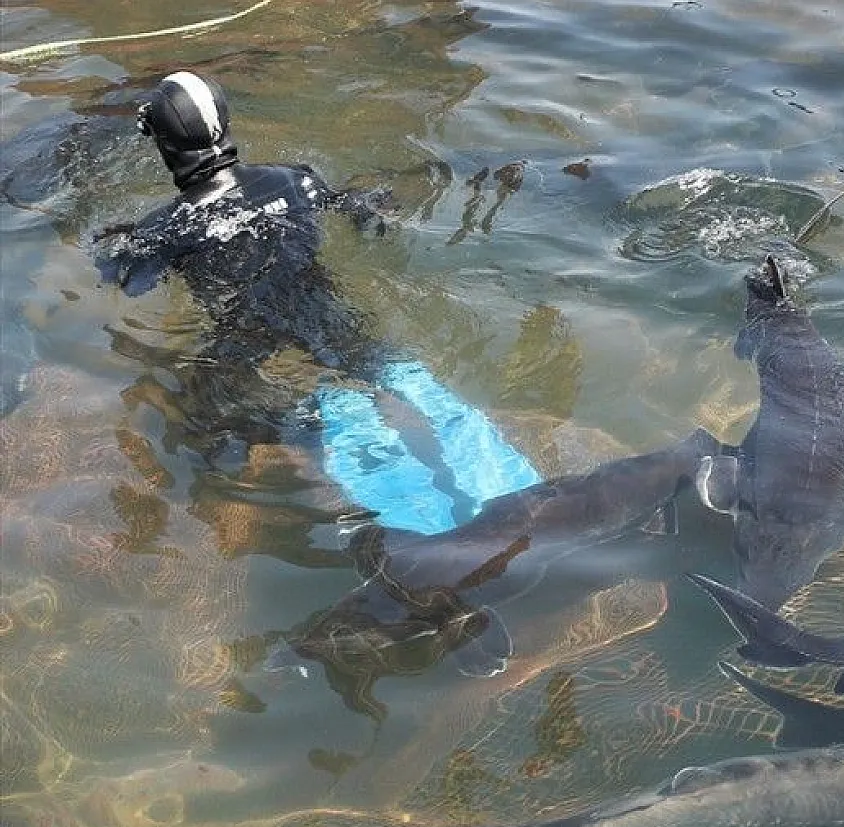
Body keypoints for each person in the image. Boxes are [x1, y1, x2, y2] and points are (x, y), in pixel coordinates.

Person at [94, 70, 539, 533]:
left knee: (203, 423)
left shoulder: (167, 228)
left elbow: (129, 284)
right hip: (335, 316)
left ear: (162, 145)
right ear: (225, 125)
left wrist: (112, 245)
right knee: (404, 378)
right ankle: (515, 495)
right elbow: (357, 207)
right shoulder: (294, 180)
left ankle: (419, 531)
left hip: (252, 344)